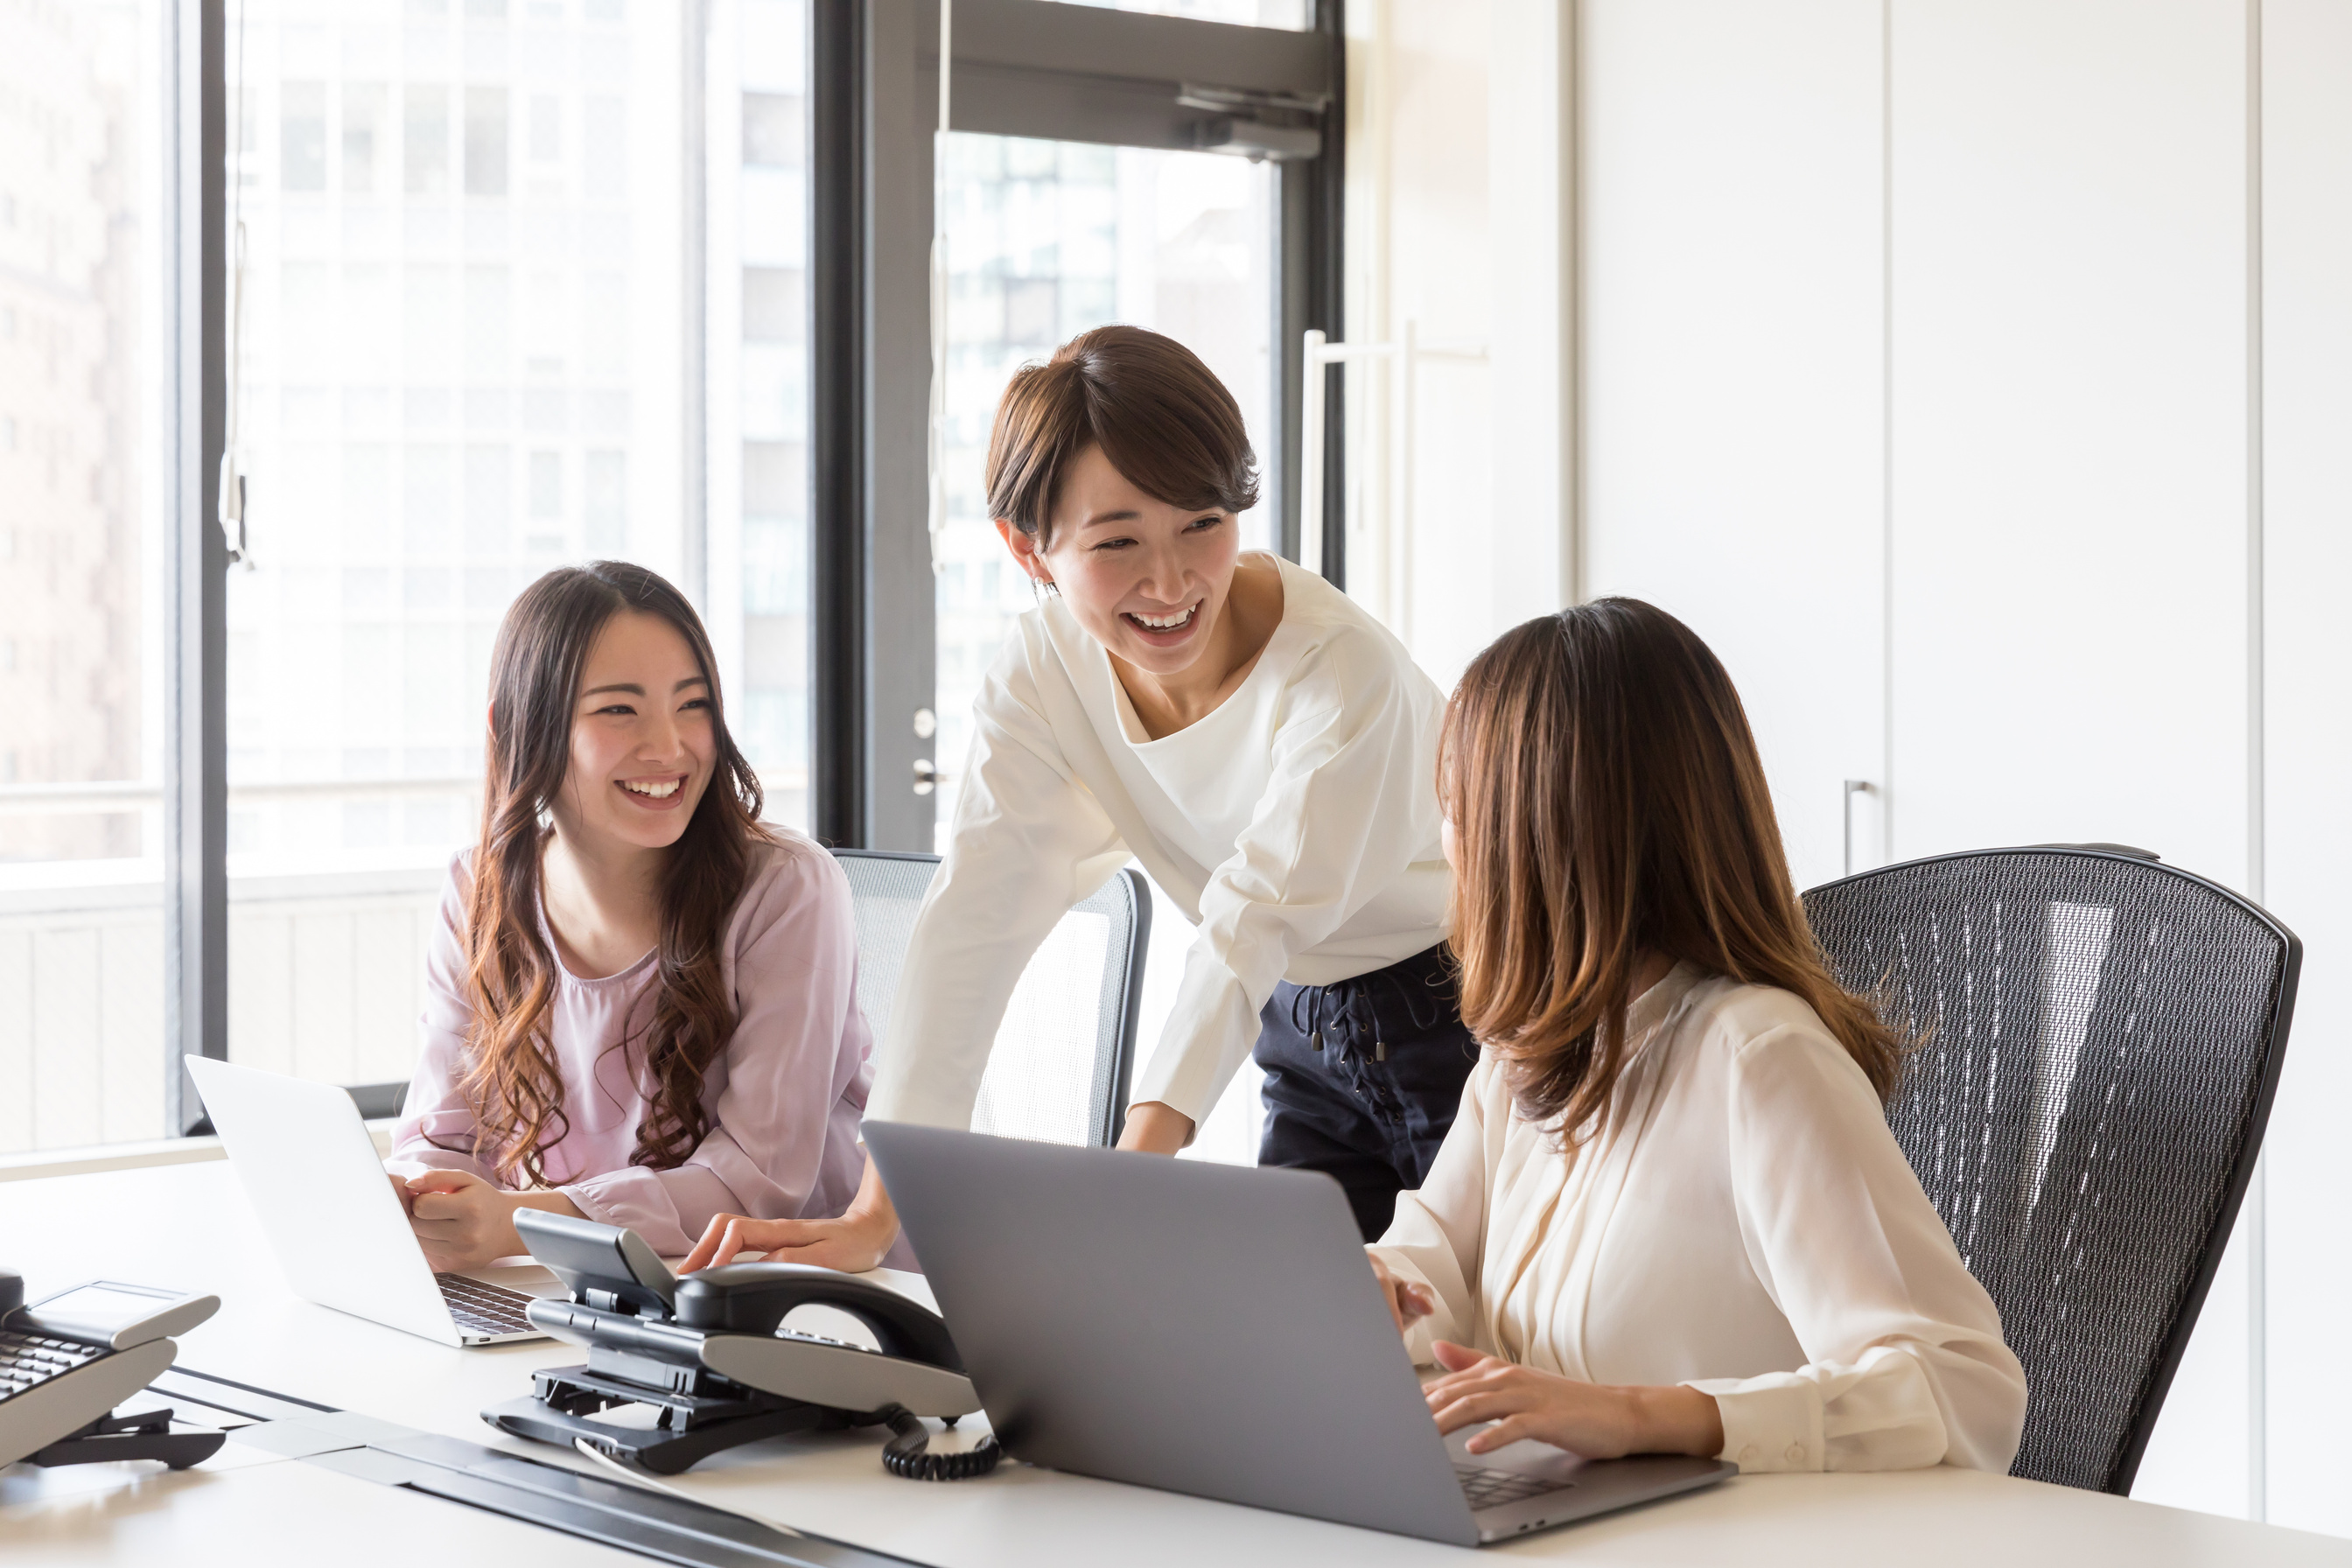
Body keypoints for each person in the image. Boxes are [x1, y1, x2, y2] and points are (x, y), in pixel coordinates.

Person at [679, 325, 1467, 1275]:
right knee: (1318, 1340)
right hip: (1295, 1021)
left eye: (1203, 525)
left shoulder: (1342, 674)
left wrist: (1126, 1185)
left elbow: (1249, 919)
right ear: (1028, 549)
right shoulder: (1043, 675)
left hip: (1460, 1012)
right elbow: (970, 928)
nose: (1172, 582)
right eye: (1118, 541)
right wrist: (878, 1210)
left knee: (1481, 1354)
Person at [1366, 598, 2026, 1474]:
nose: (1445, 845)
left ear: (1541, 838)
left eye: (1456, 811)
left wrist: (1649, 1415)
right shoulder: (1527, 1053)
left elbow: (1959, 1392)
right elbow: (1437, 1258)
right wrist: (1375, 1292)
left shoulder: (1761, 1062)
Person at [383, 562, 896, 1271]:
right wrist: (424, 1198)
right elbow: (440, 1136)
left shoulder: (786, 890)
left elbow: (758, 1185)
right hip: (588, 1288)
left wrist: (523, 1223)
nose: (669, 747)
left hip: (795, 1304)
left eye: (693, 705)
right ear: (518, 725)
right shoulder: (480, 888)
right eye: (619, 710)